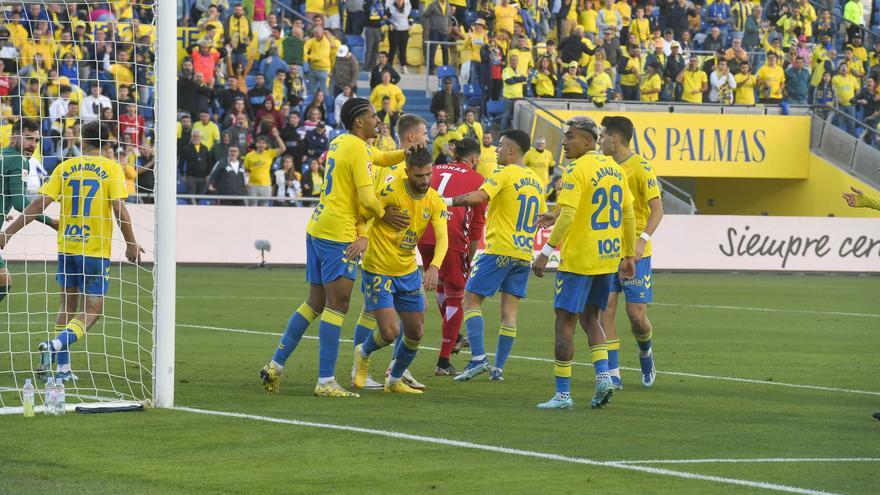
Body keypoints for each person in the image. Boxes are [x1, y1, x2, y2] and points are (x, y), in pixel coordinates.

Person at [259, 98, 411, 397]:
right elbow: (368, 200)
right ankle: (325, 381)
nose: (378, 119)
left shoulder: (342, 142)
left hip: (317, 227)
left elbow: (379, 157)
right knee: (337, 306)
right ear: (359, 122)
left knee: (314, 302)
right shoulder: (357, 147)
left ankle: (275, 366)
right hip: (339, 235)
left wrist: (406, 153)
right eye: (373, 115)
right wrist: (384, 215)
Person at [0, 121, 142, 382]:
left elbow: (37, 204)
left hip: (67, 247)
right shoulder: (111, 168)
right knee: (93, 310)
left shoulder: (65, 167)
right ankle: (55, 346)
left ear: (82, 141)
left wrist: (8, 233)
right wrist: (131, 242)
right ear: (108, 143)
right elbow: (119, 208)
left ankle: (63, 369)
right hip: (95, 250)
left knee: (67, 306)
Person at [531, 116, 636, 410]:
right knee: (591, 318)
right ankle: (603, 377)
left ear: (588, 141)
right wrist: (628, 254)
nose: (565, 141)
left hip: (578, 260)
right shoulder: (615, 169)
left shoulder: (576, 169)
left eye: (571, 136)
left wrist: (546, 251)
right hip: (607, 258)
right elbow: (627, 215)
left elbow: (569, 215)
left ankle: (562, 395)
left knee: (564, 321)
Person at [444, 130, 546, 383]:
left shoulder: (503, 173)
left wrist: (443, 200)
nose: (496, 151)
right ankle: (497, 369)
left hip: (500, 249)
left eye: (500, 146)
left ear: (511, 150)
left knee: (470, 301)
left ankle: (478, 358)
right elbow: (542, 217)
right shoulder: (535, 180)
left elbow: (480, 197)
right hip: (524, 252)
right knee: (509, 314)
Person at [351, 147, 447, 394]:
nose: (425, 181)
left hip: (406, 270)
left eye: (428, 174)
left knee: (415, 331)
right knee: (390, 331)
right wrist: (381, 216)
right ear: (407, 172)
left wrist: (434, 266)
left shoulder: (434, 199)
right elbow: (363, 214)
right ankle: (362, 353)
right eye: (419, 176)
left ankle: (394, 380)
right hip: (378, 268)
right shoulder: (391, 191)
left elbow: (442, 238)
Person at [596, 116, 663, 390]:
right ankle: (614, 373)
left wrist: (640, 240)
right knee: (605, 312)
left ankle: (646, 352)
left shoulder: (641, 167)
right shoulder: (602, 167)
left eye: (602, 135)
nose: (599, 140)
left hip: (636, 253)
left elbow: (657, 209)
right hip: (607, 252)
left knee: (636, 316)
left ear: (615, 138)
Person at [417, 138, 486, 375]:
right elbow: (477, 224)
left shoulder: (435, 169)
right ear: (474, 158)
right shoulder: (478, 180)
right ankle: (443, 362)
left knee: (440, 286)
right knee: (457, 295)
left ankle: (455, 334)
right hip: (452, 237)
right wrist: (470, 254)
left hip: (423, 233)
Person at [0, 119, 58, 305]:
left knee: (3, 280)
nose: (33, 145)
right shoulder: (19, 160)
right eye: (28, 138)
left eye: (36, 140)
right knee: (3, 281)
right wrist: (52, 222)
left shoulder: (2, 155)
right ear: (14, 136)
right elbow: (20, 203)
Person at [244, 129, 286, 206]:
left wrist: (277, 136)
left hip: (266, 185)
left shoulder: (269, 153)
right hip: (252, 185)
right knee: (252, 207)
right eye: (259, 143)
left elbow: (283, 148)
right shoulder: (249, 155)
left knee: (264, 207)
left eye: (263, 143)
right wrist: (246, 183)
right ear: (256, 144)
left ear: (266, 145)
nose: (261, 145)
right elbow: (246, 170)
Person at [178, 129, 214, 196]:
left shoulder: (205, 149)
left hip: (203, 178)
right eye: (194, 136)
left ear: (200, 137)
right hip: (190, 177)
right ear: (191, 137)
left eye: (197, 136)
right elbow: (181, 163)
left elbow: (209, 163)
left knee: (201, 197)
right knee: (191, 197)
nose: (196, 138)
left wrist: (208, 174)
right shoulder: (186, 149)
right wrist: (182, 174)